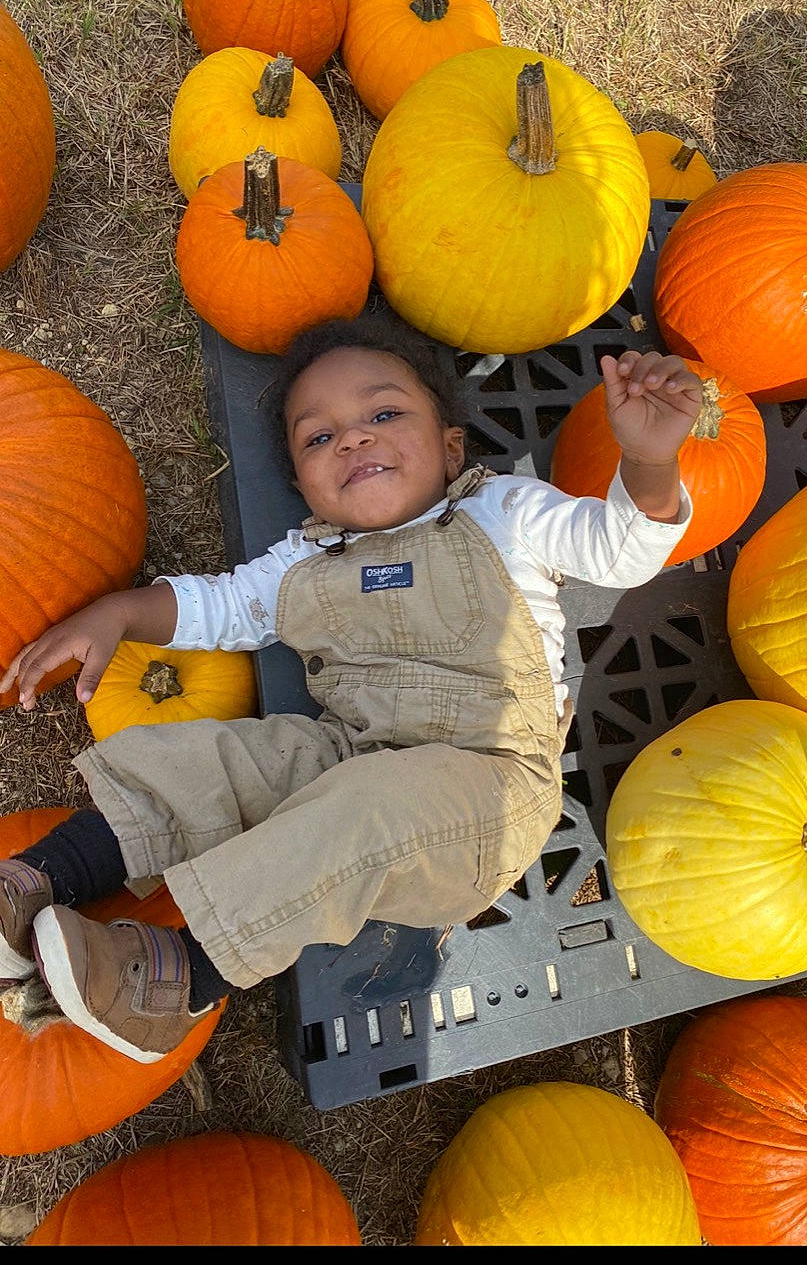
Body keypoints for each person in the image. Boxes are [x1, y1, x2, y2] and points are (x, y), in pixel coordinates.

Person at [0, 306, 701, 1063]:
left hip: (487, 789)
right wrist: (120, 613)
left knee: (361, 812)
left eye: (384, 413)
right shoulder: (305, 562)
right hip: (349, 753)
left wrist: (649, 463)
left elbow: (619, 550)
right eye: (320, 437)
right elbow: (223, 606)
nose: (354, 437)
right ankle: (39, 878)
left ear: (450, 444)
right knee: (223, 758)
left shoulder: (503, 512)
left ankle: (176, 982)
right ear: (304, 482)